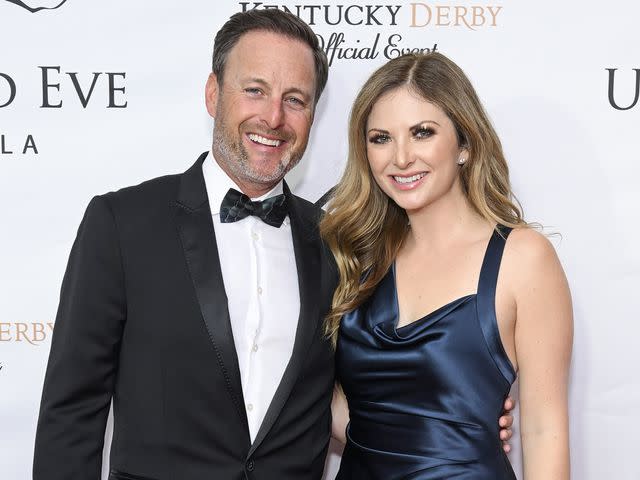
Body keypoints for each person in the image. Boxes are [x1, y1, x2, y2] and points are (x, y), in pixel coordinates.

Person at [32, 10, 514, 480]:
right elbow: (72, 410)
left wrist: (453, 418)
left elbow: (359, 395)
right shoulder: (122, 223)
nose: (274, 117)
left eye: (296, 99)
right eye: (254, 90)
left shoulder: (338, 243)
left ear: (312, 115)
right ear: (213, 93)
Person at [321, 52, 572, 479]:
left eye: (422, 133)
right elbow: (344, 411)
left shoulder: (523, 258)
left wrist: (460, 437)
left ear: (465, 145)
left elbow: (544, 432)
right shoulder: (354, 254)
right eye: (381, 137)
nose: (400, 158)